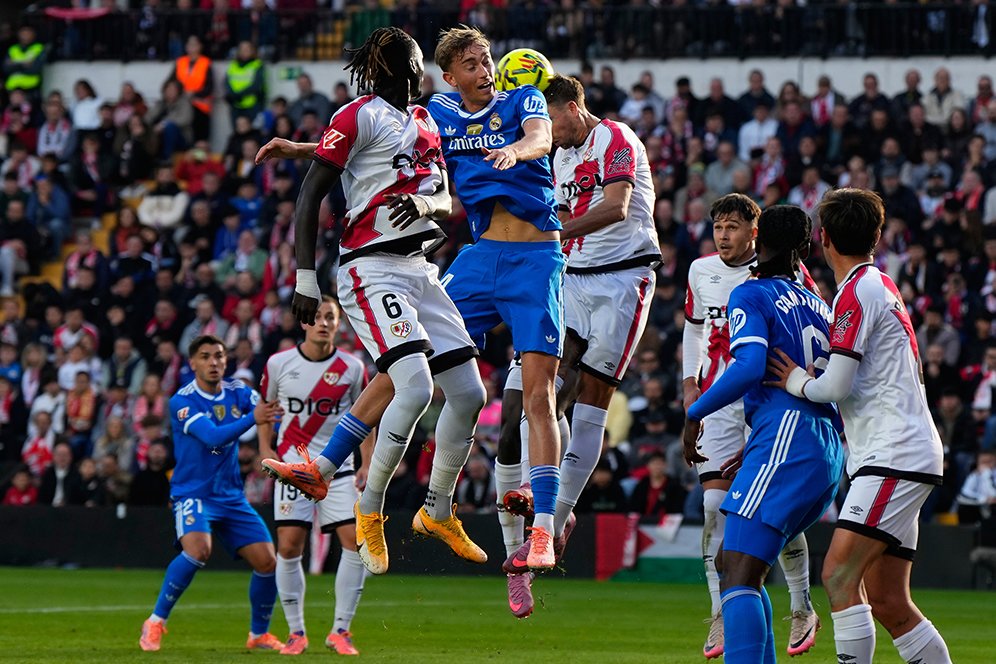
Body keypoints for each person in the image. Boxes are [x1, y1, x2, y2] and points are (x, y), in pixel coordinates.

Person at [257, 27, 488, 577]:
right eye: (411, 59)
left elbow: (445, 197)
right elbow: (311, 193)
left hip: (422, 270)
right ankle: (367, 507)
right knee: (416, 384)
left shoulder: (428, 120)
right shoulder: (357, 113)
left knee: (470, 393)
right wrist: (306, 280)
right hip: (372, 268)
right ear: (395, 69)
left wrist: (425, 203)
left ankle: (436, 510)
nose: (419, 65)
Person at [497, 74, 661, 618]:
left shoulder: (616, 138)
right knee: (531, 391)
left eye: (552, 119)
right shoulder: (558, 156)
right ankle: (535, 504)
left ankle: (557, 516)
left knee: (590, 404)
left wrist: (554, 230)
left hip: (623, 279)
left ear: (573, 107)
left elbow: (616, 207)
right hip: (572, 278)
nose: (549, 131)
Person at [766, 188, 953, 664]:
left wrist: (794, 380)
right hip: (904, 453)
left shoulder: (858, 293)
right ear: (876, 235)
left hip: (893, 456)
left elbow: (834, 386)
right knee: (889, 600)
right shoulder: (877, 285)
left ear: (823, 238)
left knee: (838, 576)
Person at [682, 205, 843, 664]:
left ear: (758, 239)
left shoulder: (751, 294)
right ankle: (798, 609)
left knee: (734, 568)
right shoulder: (817, 303)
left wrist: (695, 412)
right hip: (821, 442)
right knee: (744, 569)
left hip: (787, 436)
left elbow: (750, 367)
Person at [138, 335, 284, 653]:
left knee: (268, 562)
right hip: (193, 493)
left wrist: (264, 446)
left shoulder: (237, 391)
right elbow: (213, 437)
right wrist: (253, 418)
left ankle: (258, 634)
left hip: (230, 495)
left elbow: (267, 409)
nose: (214, 362)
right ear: (193, 364)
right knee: (198, 550)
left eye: (219, 355)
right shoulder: (182, 401)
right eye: (205, 356)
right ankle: (155, 621)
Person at [257, 297, 372, 656]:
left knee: (355, 542)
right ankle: (296, 632)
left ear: (339, 324)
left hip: (338, 469)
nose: (323, 323)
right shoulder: (279, 364)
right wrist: (267, 450)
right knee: (289, 547)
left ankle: (341, 630)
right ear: (304, 322)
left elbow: (367, 420)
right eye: (318, 317)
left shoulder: (353, 368)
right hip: (293, 469)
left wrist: (367, 464)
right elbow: (266, 410)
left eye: (331, 317)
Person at [169, 35, 214, 142]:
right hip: (182, 103)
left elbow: (209, 86)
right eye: (190, 44)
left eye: (195, 44)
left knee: (200, 136)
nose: (192, 48)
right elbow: (171, 81)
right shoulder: (180, 62)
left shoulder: (205, 62)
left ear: (200, 47)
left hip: (200, 105)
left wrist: (194, 94)